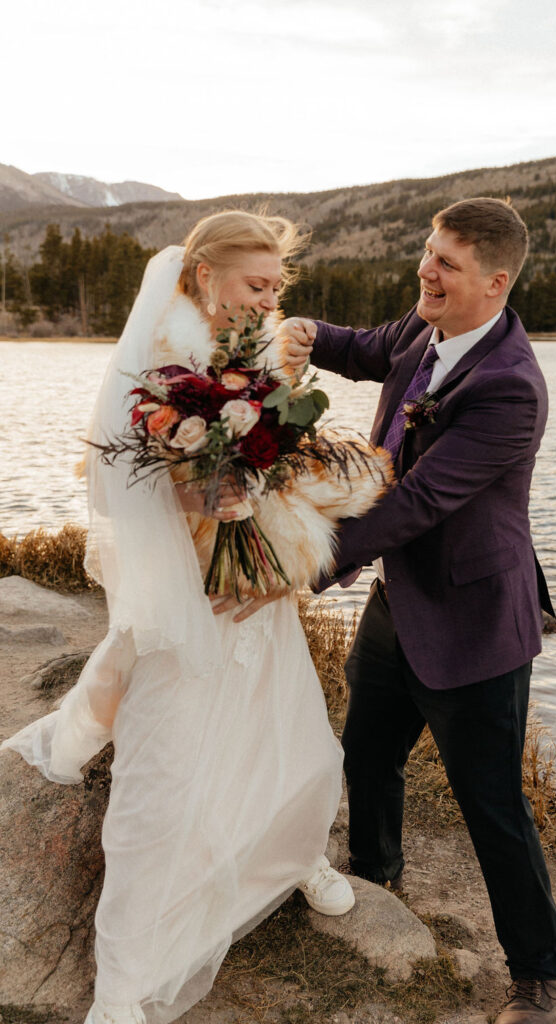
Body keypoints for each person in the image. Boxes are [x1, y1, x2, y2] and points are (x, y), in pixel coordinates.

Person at [1, 210, 358, 1024]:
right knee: (161, 779)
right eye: (254, 285)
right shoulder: (164, 361)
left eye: (276, 287)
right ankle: (125, 988)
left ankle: (291, 850)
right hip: (183, 580)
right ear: (204, 276)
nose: (267, 301)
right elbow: (140, 485)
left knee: (287, 723)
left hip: (246, 576)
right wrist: (210, 491)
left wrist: (263, 495)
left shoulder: (254, 354)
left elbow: (274, 455)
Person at [280, 198, 556, 1024]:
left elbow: (419, 500)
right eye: (425, 252)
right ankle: (375, 879)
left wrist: (297, 560)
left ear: (494, 281)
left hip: (475, 621)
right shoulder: (424, 329)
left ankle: (539, 978)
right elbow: (363, 348)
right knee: (366, 754)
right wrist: (302, 328)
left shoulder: (510, 387)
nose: (424, 271)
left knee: (493, 807)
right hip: (398, 600)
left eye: (444, 262)